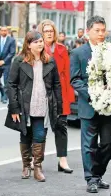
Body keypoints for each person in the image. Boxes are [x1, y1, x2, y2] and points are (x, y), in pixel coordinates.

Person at [70, 16, 111, 193]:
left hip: (110, 106)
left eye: (103, 30)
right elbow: (75, 80)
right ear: (88, 32)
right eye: (97, 31)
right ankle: (91, 178)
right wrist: (93, 94)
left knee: (107, 145)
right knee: (89, 145)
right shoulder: (79, 53)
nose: (101, 34)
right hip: (89, 105)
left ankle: (98, 174)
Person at [7, 31, 62, 182]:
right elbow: (11, 85)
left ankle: (37, 167)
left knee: (40, 135)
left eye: (41, 41)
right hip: (25, 105)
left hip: (43, 104)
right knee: (25, 134)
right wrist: (14, 108)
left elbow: (56, 85)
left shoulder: (50, 61)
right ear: (29, 44)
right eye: (36, 41)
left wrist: (59, 106)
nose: (40, 44)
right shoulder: (19, 61)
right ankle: (26, 165)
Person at [37, 19, 75, 173]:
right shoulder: (37, 49)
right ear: (41, 33)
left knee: (61, 127)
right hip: (42, 92)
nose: (49, 33)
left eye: (51, 31)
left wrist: (68, 96)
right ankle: (37, 161)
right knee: (41, 128)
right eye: (46, 31)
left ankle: (63, 160)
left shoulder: (62, 49)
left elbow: (67, 73)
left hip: (60, 93)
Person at [0, 26, 16, 104]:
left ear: (7, 32)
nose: (3, 32)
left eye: (5, 31)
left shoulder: (11, 40)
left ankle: (5, 97)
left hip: (6, 64)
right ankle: (2, 92)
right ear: (0, 31)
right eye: (2, 30)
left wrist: (4, 61)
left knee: (6, 81)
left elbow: (12, 52)